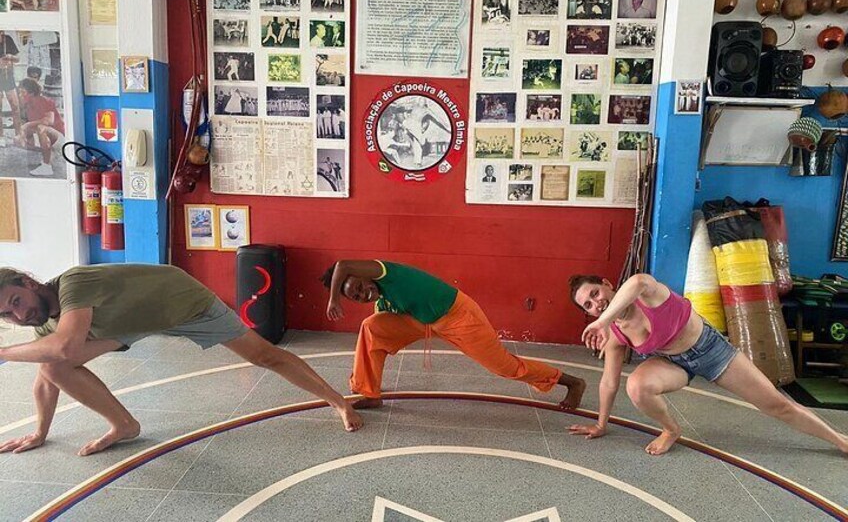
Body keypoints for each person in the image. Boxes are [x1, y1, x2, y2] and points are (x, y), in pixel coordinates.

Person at [0, 265, 363, 456]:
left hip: (182, 303)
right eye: (7, 316)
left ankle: (338, 402)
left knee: (263, 356)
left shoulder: (73, 283)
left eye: (15, 302)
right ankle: (124, 425)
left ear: (28, 282)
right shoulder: (46, 321)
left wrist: (2, 353)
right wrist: (40, 432)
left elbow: (65, 347)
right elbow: (47, 375)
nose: (19, 316)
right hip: (133, 324)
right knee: (52, 364)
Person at [567, 273, 848, 456]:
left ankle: (840, 440)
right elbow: (608, 382)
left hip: (712, 352)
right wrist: (601, 424)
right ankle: (671, 429)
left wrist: (602, 321)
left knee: (776, 405)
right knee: (637, 386)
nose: (596, 304)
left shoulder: (646, 292)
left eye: (594, 294)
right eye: (588, 306)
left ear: (607, 283)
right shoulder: (615, 335)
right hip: (674, 363)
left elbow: (638, 282)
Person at [322, 260, 586, 410]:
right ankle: (369, 392)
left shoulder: (385, 272)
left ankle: (571, 382)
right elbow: (386, 319)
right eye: (355, 296)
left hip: (458, 316)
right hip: (421, 319)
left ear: (363, 275)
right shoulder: (382, 300)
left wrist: (335, 300)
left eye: (359, 286)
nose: (362, 293)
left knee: (505, 367)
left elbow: (343, 264)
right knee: (372, 327)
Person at [17, 78, 65, 177]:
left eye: (23, 92)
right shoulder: (28, 106)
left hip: (60, 139)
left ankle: (47, 166)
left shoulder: (44, 101)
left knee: (41, 127)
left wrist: (27, 125)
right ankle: (48, 156)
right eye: (20, 92)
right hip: (50, 139)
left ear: (31, 93)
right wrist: (23, 134)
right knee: (16, 140)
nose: (20, 95)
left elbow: (49, 120)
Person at [0, 30, 22, 144]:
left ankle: (18, 136)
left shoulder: (7, 39)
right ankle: (1, 137)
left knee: (15, 106)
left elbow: (18, 59)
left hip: (8, 76)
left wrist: (10, 57)